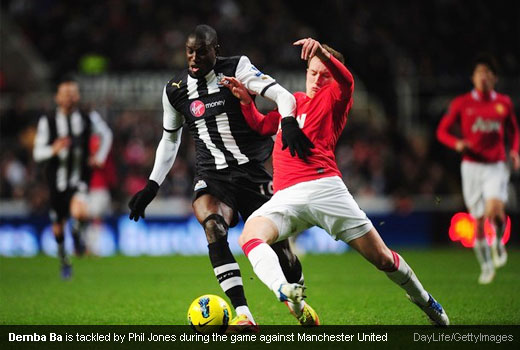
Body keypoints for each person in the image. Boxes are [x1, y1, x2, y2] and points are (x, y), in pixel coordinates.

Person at [223, 38, 449, 326]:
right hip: (286, 196)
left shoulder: (335, 99)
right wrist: (246, 102)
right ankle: (284, 290)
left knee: (382, 259)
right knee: (249, 236)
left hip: (324, 189)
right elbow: (260, 125)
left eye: (324, 74)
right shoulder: (292, 103)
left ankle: (426, 301)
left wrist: (322, 53)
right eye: (312, 72)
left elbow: (347, 79)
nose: (317, 79)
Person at [128, 25, 314, 328]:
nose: (194, 58)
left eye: (201, 51)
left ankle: (299, 302)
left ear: (217, 49)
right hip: (212, 176)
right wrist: (152, 185)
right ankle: (244, 314)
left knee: (283, 255)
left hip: (252, 172)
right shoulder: (174, 90)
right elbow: (170, 139)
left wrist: (289, 121)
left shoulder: (238, 67)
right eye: (190, 52)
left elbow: (280, 93)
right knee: (213, 226)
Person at [437, 54, 520, 284]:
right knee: (480, 220)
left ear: (494, 77)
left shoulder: (503, 103)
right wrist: (458, 143)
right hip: (471, 167)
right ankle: (485, 265)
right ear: (473, 77)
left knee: (496, 212)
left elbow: (514, 131)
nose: (483, 77)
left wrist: (514, 151)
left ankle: (499, 243)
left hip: (495, 165)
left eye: (487, 73)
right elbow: (442, 131)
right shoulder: (462, 103)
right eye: (479, 72)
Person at [33, 78, 113, 279]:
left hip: (79, 178)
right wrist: (53, 149)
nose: (69, 97)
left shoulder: (87, 117)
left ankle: (77, 235)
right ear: (57, 98)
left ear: (77, 96)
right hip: (56, 181)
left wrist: (99, 157)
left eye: (72, 93)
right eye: (65, 94)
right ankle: (64, 261)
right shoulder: (48, 121)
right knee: (58, 226)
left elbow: (106, 134)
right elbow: (37, 153)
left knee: (79, 212)